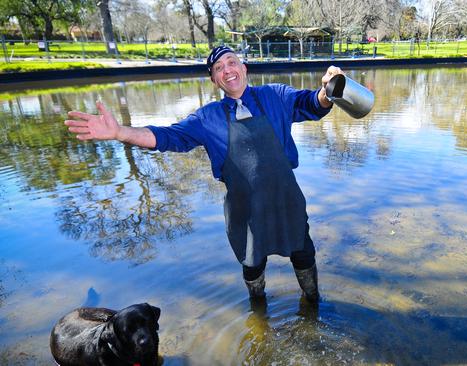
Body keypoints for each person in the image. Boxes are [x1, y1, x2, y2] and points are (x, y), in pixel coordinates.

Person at [65, 46, 343, 304]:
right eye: (218, 68)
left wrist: (328, 89)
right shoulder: (206, 119)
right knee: (252, 263)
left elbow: (312, 103)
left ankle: (313, 302)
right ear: (214, 80)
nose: (227, 70)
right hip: (245, 211)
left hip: (286, 200)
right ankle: (258, 311)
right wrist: (120, 133)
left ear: (244, 68)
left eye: (232, 62)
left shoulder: (276, 96)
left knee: (303, 251)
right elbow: (168, 136)